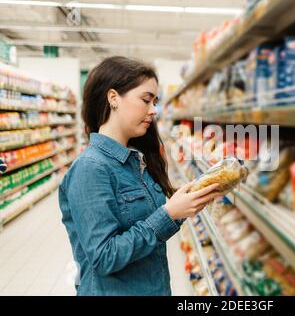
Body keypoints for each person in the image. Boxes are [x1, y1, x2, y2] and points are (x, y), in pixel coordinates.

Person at [59, 56, 222, 296]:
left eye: (155, 101)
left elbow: (148, 226)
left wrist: (187, 204)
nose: (154, 110)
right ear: (113, 98)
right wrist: (169, 214)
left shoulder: (135, 160)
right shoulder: (90, 168)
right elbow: (104, 257)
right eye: (146, 100)